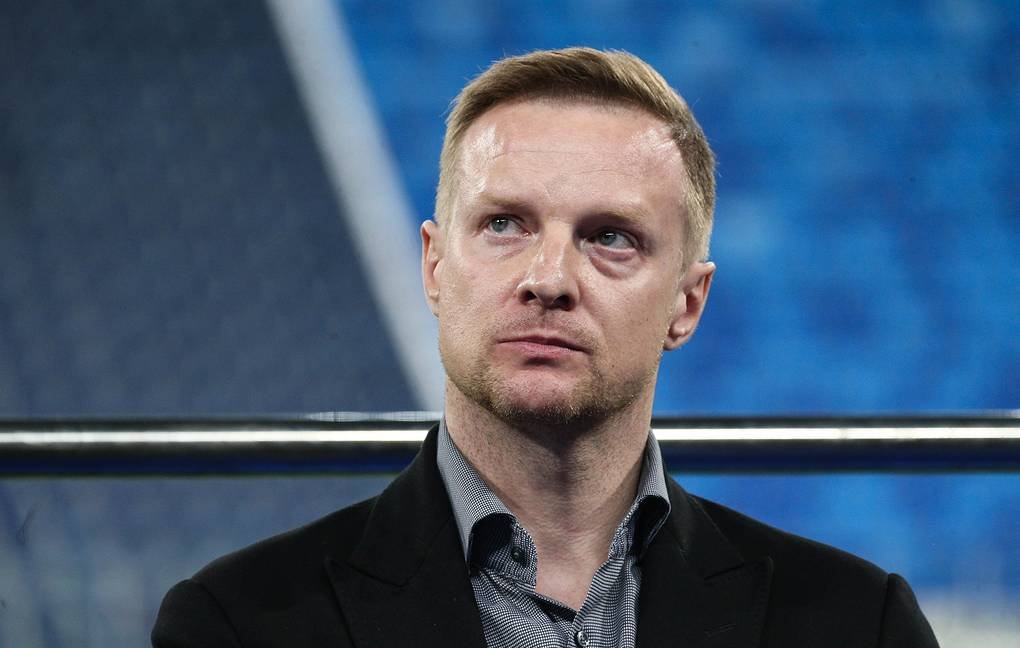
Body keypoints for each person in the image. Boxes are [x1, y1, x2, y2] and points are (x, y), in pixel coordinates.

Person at [152, 47, 940, 647]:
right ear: (434, 267)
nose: (549, 278)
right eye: (504, 225)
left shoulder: (857, 626)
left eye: (610, 237)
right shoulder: (238, 625)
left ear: (686, 303)